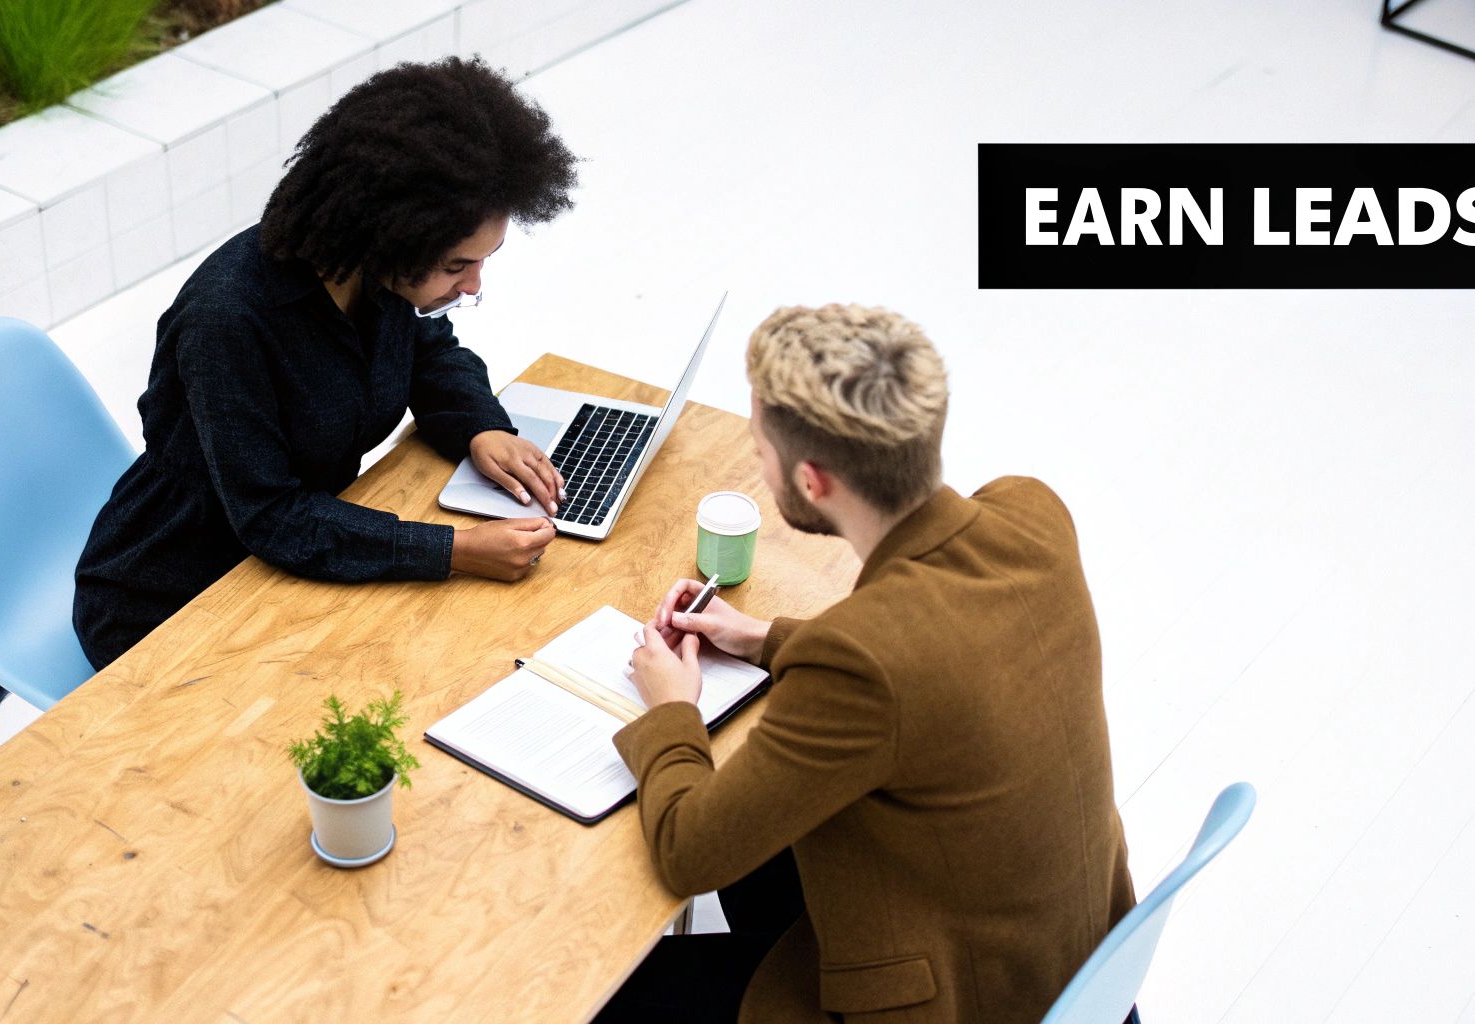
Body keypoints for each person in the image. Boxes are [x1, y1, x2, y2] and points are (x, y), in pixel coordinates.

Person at [598, 304, 1137, 1023]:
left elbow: (690, 852)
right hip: (1070, 957)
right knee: (767, 860)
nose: (760, 464)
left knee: (611, 995)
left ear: (813, 481)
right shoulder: (1031, 512)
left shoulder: (859, 662)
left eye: (761, 450)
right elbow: (938, 650)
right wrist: (763, 638)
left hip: (969, 999)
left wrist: (672, 708)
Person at [74, 58, 577, 670]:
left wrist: (480, 424)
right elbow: (271, 514)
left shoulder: (375, 273)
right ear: (389, 234)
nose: (472, 286)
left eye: (482, 260)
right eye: (455, 266)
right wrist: (455, 549)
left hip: (301, 563)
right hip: (174, 598)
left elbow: (430, 350)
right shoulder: (227, 320)